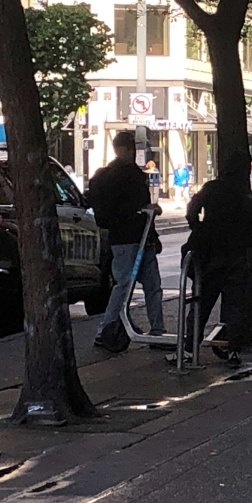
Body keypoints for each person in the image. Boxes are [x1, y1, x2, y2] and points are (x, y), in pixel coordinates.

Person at [186, 150, 252, 365]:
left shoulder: (212, 188)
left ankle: (188, 347)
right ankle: (233, 349)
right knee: (234, 305)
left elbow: (191, 210)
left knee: (201, 302)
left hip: (211, 255)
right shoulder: (250, 198)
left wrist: (199, 229)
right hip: (237, 256)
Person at [87, 132, 165, 352]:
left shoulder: (104, 176)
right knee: (146, 286)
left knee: (125, 285)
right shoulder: (131, 176)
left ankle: (109, 328)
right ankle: (152, 330)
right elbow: (139, 206)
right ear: (131, 150)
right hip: (137, 238)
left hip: (124, 239)